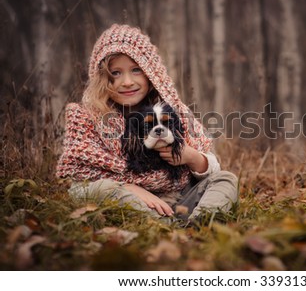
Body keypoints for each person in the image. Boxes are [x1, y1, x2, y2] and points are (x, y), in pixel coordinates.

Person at [56, 24, 238, 222]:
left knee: (225, 179)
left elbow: (211, 167)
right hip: (130, 202)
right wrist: (127, 187)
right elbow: (78, 187)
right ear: (102, 78)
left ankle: (202, 222)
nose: (127, 81)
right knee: (100, 188)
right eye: (115, 73)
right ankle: (162, 227)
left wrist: (192, 156)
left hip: (181, 199)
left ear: (150, 73)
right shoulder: (88, 118)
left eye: (136, 70)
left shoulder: (173, 110)